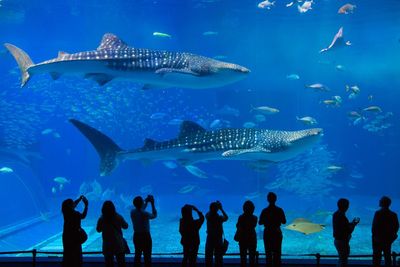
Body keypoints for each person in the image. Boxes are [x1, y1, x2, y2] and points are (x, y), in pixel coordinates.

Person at [97, 201, 129, 267]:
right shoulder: (118, 217)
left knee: (108, 263)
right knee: (121, 263)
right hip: (118, 243)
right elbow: (125, 226)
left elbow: (98, 230)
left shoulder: (101, 219)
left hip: (107, 244)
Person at [259, 192, 286, 267]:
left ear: (267, 199)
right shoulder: (279, 210)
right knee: (277, 253)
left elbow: (260, 222)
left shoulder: (265, 211)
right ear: (276, 199)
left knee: (268, 253)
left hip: (267, 232)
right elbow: (284, 221)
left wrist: (267, 220)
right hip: (277, 232)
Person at [61, 195, 88, 267]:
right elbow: (83, 216)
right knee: (76, 255)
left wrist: (79, 199)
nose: (74, 204)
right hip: (75, 237)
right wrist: (86, 205)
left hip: (66, 236)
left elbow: (73, 204)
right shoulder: (75, 214)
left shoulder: (65, 213)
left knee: (67, 254)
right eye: (72, 203)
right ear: (71, 205)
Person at [372, 196, 399, 267]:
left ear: (382, 203)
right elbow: (396, 227)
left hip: (377, 240)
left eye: (380, 200)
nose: (379, 201)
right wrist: (391, 238)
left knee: (376, 258)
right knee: (387, 256)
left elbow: (374, 227)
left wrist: (375, 238)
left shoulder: (378, 213)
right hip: (388, 240)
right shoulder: (393, 215)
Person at [130, 195, 157, 267]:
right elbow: (154, 215)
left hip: (136, 236)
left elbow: (140, 209)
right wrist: (152, 203)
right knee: (147, 256)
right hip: (145, 236)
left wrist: (146, 202)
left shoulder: (132, 212)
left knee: (137, 255)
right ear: (141, 203)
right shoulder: (145, 214)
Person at [332, 198, 360, 267]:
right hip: (343, 242)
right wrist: (354, 224)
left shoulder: (336, 214)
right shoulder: (342, 217)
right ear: (346, 207)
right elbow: (348, 230)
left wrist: (351, 223)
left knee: (341, 259)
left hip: (337, 240)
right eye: (348, 205)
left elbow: (342, 226)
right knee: (343, 261)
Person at [205, 201, 228, 267]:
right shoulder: (219, 218)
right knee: (218, 257)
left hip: (210, 239)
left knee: (208, 257)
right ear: (217, 209)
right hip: (218, 239)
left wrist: (213, 208)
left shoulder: (208, 217)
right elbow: (226, 217)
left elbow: (207, 213)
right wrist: (221, 209)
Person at [235, 200, 258, 267]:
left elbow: (237, 226)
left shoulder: (241, 217)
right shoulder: (255, 218)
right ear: (252, 209)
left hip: (243, 239)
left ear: (244, 208)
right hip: (252, 239)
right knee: (252, 258)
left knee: (243, 258)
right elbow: (252, 226)